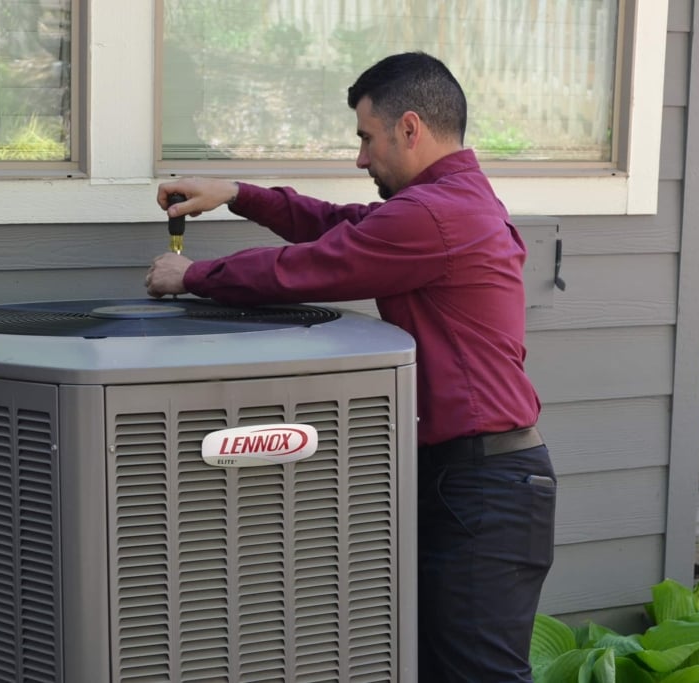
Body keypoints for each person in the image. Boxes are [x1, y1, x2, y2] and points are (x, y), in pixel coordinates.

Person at [145, 51, 556, 683]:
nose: (361, 158)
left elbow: (313, 264)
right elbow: (339, 225)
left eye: (367, 138)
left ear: (410, 128)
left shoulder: (436, 215)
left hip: (485, 488)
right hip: (470, 479)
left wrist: (192, 276)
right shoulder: (444, 203)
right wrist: (237, 195)